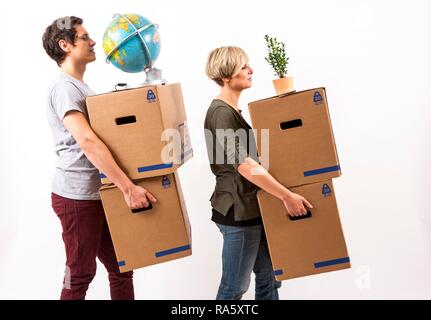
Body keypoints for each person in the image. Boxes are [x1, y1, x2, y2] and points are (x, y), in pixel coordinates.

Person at [42, 16, 157, 300]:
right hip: (77, 196)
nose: (94, 42)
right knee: (78, 273)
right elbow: (87, 141)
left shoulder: (81, 87)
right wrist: (127, 188)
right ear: (65, 45)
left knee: (122, 266)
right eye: (85, 37)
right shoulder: (64, 88)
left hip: (99, 193)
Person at [204, 46, 313, 300]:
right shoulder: (221, 112)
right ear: (226, 75)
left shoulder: (231, 111)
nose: (251, 70)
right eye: (243, 66)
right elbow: (243, 165)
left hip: (252, 208)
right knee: (234, 288)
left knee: (270, 277)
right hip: (238, 212)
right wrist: (286, 196)